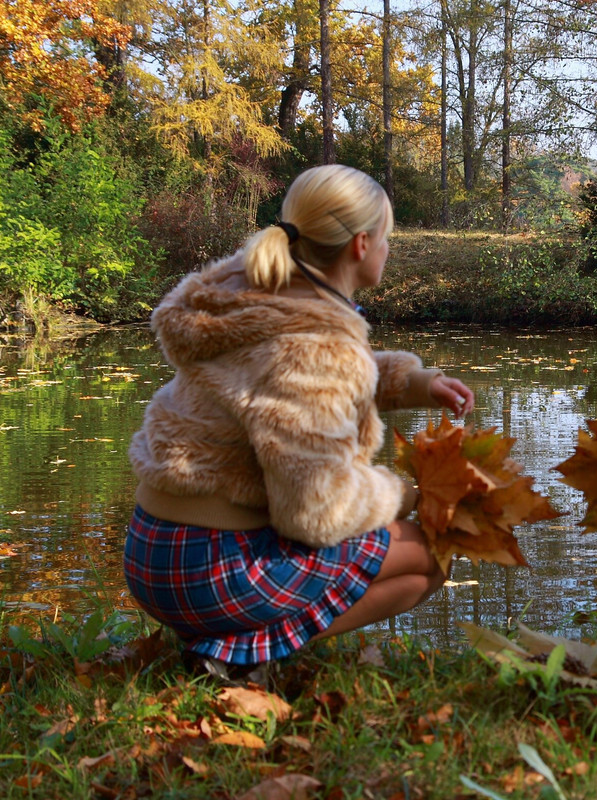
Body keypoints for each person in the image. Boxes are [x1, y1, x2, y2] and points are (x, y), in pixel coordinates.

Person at [125, 164, 474, 677]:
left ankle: (230, 644)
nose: (387, 251)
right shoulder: (314, 346)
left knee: (395, 545)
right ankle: (236, 655)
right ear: (360, 244)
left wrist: (415, 383)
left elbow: (296, 381)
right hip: (211, 570)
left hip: (151, 548)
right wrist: (411, 496)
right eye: (386, 239)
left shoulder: (254, 286)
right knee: (429, 557)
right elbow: (313, 511)